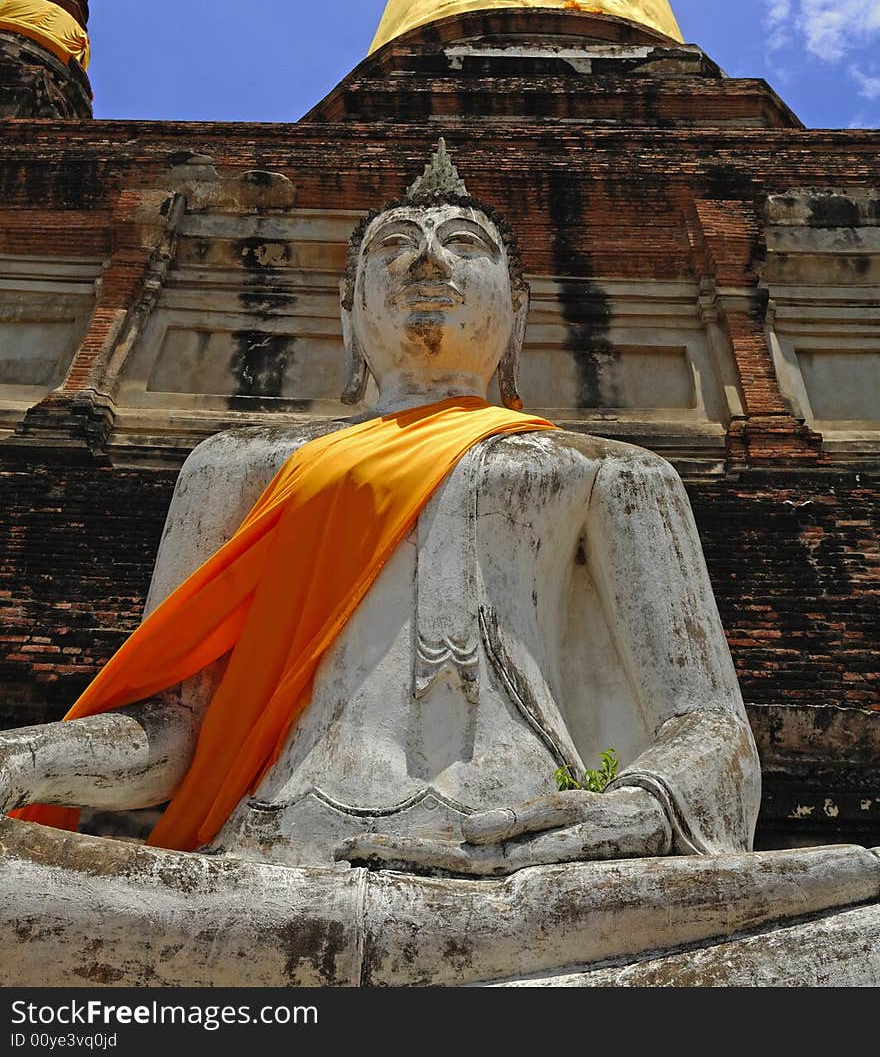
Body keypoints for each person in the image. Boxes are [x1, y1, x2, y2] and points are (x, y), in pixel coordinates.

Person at [1, 143, 876, 986]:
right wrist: (24, 759)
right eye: (393, 246)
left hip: (524, 880)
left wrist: (631, 808)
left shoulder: (613, 473)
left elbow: (710, 728)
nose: (427, 263)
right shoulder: (238, 465)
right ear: (346, 312)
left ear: (519, 311)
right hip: (262, 873)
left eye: (464, 245)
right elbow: (169, 729)